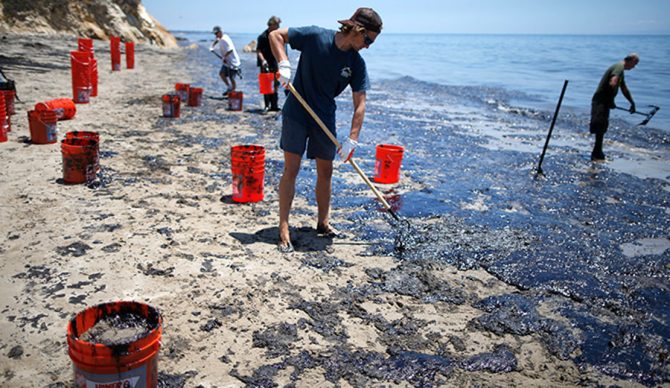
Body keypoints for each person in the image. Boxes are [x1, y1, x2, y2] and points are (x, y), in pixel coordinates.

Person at [269, 7, 382, 252]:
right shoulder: (315, 36)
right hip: (297, 112)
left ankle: (323, 222)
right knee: (292, 169)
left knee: (326, 172)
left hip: (324, 118)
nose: (369, 46)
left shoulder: (356, 63)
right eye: (368, 40)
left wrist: (352, 139)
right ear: (357, 29)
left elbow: (360, 104)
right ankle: (284, 227)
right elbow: (276, 35)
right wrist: (284, 64)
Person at [589, 53, 639, 161]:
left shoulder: (620, 70)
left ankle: (598, 151)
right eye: (634, 64)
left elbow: (623, 88)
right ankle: (596, 152)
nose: (634, 67)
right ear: (629, 60)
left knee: (602, 126)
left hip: (604, 101)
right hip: (600, 100)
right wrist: (611, 100)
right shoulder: (618, 67)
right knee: (599, 126)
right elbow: (613, 83)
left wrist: (632, 102)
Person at [257, 16, 282, 112]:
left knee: (276, 84)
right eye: (277, 25)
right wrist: (263, 60)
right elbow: (258, 50)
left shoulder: (277, 35)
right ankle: (267, 106)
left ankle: (274, 106)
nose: (278, 27)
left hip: (274, 62)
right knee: (266, 85)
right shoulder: (262, 36)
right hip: (265, 63)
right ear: (271, 24)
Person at [210, 26, 241, 96]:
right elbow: (217, 40)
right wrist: (212, 46)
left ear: (220, 32)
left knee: (231, 78)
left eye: (216, 33)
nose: (215, 35)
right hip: (226, 62)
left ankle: (232, 92)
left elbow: (230, 50)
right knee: (221, 74)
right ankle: (229, 87)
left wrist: (224, 57)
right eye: (214, 34)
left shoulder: (225, 39)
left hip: (233, 62)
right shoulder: (220, 37)